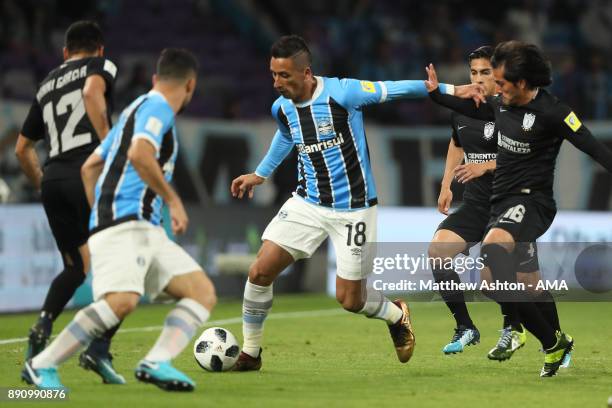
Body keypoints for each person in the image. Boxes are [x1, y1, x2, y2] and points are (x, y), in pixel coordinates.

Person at [230, 35, 480, 371]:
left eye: (284, 76)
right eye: (273, 75)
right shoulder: (282, 107)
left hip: (355, 210)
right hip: (307, 203)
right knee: (260, 271)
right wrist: (260, 174)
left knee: (350, 300)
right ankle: (251, 353)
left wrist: (452, 90)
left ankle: (396, 314)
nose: (277, 83)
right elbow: (287, 133)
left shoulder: (342, 93)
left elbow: (393, 88)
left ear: (306, 73)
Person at [22, 48, 216, 392]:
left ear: (156, 78)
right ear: (191, 86)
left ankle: (156, 360)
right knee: (121, 301)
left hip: (139, 225)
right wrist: (173, 201)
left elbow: (90, 167)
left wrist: (99, 212)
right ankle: (42, 364)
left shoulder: (132, 110)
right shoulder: (158, 107)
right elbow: (140, 154)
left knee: (200, 292)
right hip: (127, 221)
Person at [425, 40, 612, 377]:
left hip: (532, 201)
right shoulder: (501, 103)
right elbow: (466, 111)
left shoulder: (555, 112)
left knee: (495, 255)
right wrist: (436, 94)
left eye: (501, 82)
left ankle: (537, 338)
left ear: (522, 83)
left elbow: (594, 148)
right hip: (501, 203)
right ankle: (555, 342)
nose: (495, 88)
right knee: (494, 283)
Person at [428, 46, 560, 361]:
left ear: (500, 75)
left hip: (510, 204)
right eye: (474, 73)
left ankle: (548, 339)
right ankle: (465, 327)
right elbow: (456, 143)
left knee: (525, 284)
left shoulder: (512, 108)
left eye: (486, 72)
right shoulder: (462, 108)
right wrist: (446, 185)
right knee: (438, 252)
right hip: (475, 204)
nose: (480, 79)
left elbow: (526, 153)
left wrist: (485, 166)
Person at [15, 20, 123, 383]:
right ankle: (98, 349)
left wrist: (45, 183)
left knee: (76, 267)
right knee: (126, 265)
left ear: (65, 52)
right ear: (100, 49)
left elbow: (22, 148)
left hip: (55, 179)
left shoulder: (46, 84)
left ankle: (41, 331)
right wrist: (108, 148)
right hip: (88, 173)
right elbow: (93, 93)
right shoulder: (100, 66)